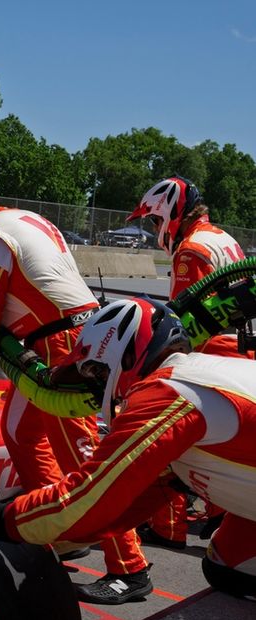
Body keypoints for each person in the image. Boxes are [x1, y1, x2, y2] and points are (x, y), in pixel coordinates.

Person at [0, 298, 256, 601]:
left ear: (127, 356)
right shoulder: (198, 375)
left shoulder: (169, 391)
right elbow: (120, 509)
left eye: (96, 371)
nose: (95, 382)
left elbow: (87, 497)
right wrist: (25, 536)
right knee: (224, 563)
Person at [0, 172, 152, 604]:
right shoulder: (23, 218)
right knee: (20, 432)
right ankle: (61, 530)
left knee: (85, 457)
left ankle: (130, 567)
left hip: (60, 345)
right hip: (66, 336)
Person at [127, 177, 248, 550]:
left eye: (153, 221)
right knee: (226, 443)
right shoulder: (221, 237)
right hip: (241, 352)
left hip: (215, 352)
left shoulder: (190, 251)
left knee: (172, 437)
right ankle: (221, 516)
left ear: (169, 213)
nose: (154, 229)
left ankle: (168, 527)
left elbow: (185, 323)